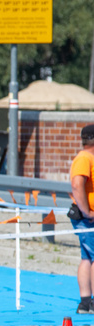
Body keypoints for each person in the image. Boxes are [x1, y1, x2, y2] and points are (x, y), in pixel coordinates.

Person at [69, 124, 94, 314]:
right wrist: (87, 212)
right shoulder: (85, 159)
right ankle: (89, 302)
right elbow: (77, 185)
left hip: (87, 216)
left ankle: (86, 302)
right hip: (88, 217)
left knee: (87, 258)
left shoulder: (86, 158)